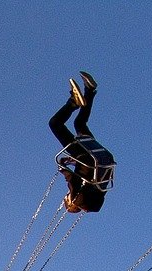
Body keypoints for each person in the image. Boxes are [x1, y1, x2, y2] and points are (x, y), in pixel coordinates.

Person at [49, 71, 114, 213]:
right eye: (66, 199)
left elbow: (84, 174)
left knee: (80, 124)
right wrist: (62, 169)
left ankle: (89, 90)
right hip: (88, 158)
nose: (66, 197)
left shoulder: (95, 194)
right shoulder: (78, 194)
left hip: (100, 159)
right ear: (71, 203)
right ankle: (73, 102)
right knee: (55, 124)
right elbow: (72, 179)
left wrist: (70, 162)